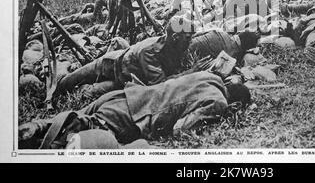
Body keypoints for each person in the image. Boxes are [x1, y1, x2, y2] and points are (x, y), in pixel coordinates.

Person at [18, 71, 251, 149]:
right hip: (134, 116)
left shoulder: (209, 76)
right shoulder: (218, 102)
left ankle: (38, 126)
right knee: (79, 136)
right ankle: (38, 142)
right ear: (235, 103)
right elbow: (182, 129)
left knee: (81, 118)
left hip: (124, 95)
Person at [54, 16, 195, 99]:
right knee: (64, 84)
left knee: (88, 93)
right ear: (175, 37)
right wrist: (190, 74)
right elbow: (159, 85)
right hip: (109, 65)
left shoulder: (176, 48)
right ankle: (60, 67)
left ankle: (81, 87)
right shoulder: (150, 51)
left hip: (124, 80)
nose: (190, 41)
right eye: (188, 38)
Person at [187, 29, 260, 63]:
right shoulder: (228, 55)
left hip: (185, 44)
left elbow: (198, 33)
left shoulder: (221, 32)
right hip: (186, 57)